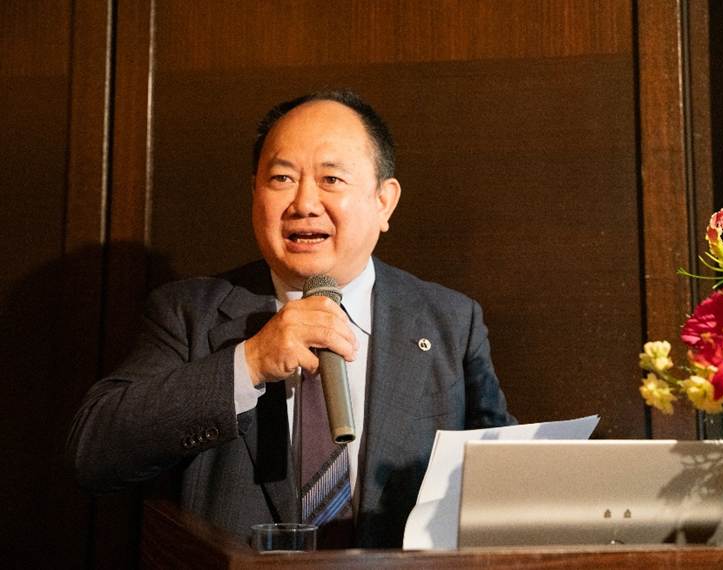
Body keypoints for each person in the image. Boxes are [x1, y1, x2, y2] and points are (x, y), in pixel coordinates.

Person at [68, 90, 515, 548]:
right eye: (282, 178)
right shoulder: (189, 313)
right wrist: (249, 362)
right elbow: (94, 453)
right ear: (254, 193)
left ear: (384, 201)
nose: (304, 203)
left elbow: (507, 484)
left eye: (331, 179)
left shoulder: (449, 321)